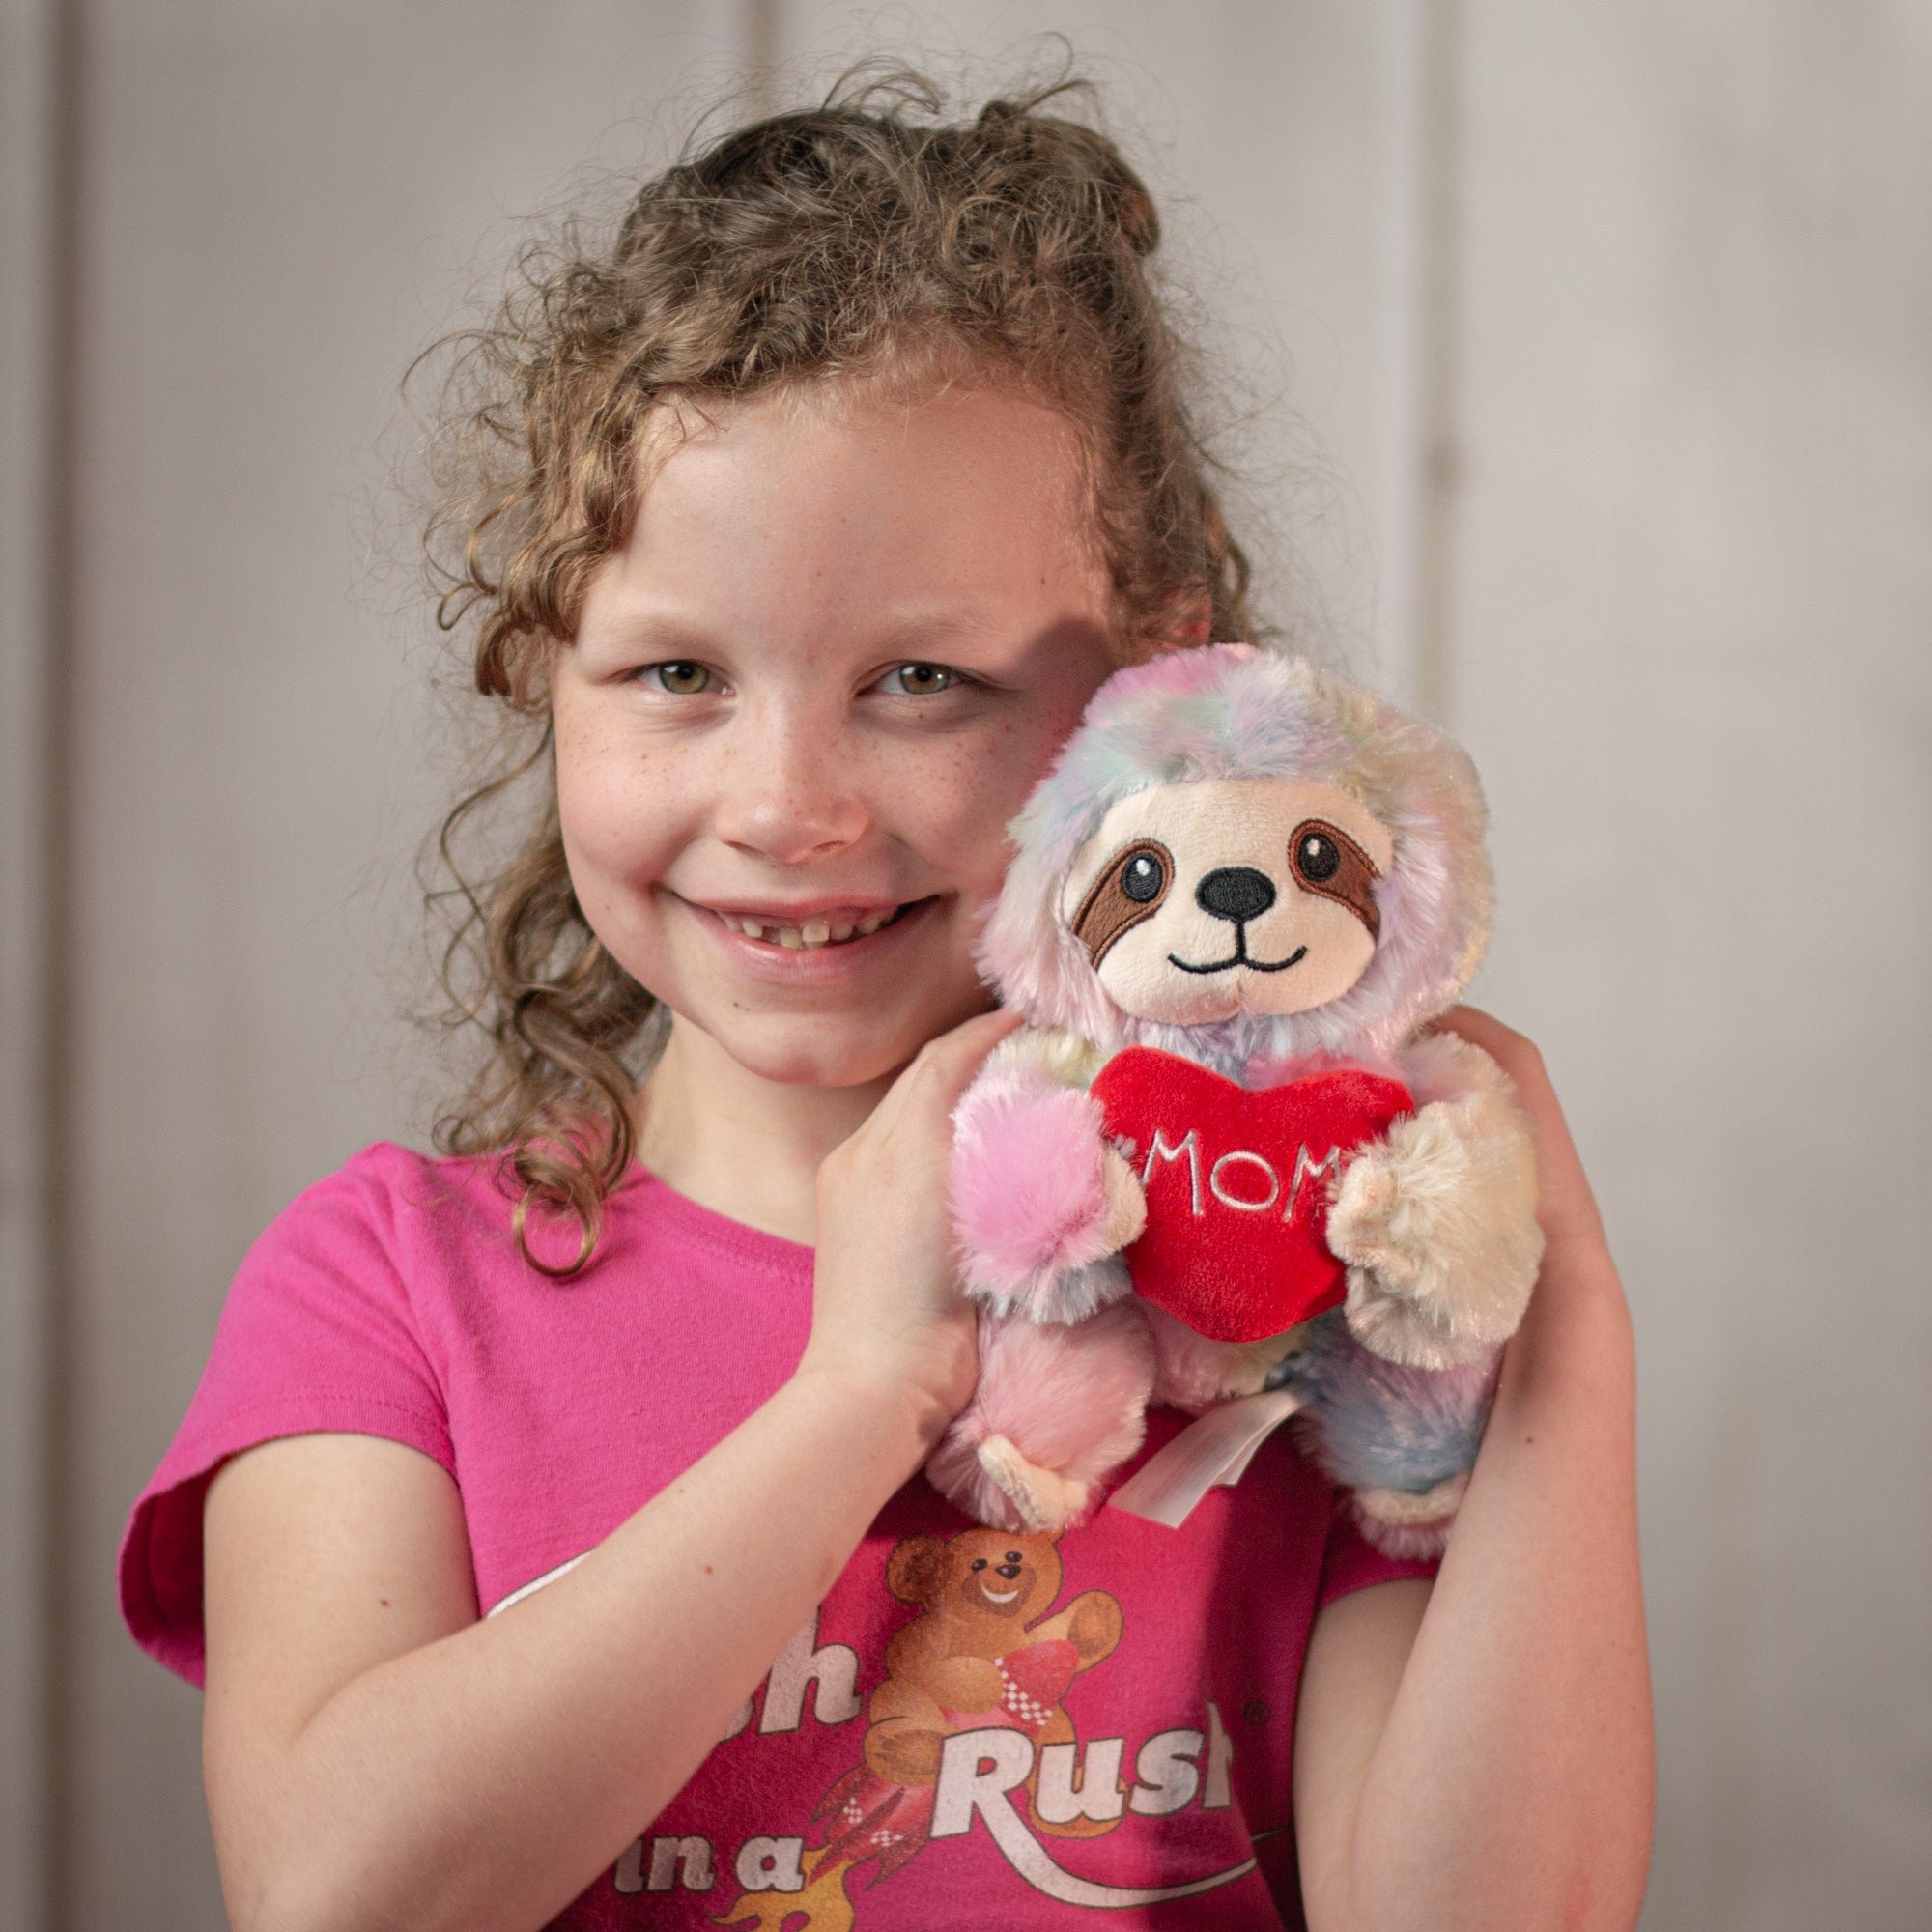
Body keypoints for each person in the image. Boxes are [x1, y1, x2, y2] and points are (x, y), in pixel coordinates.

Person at [118, 68, 1653, 1932]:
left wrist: (1557, 1325)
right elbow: (339, 1895)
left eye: (921, 678)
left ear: (1152, 695)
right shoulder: (384, 1291)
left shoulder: (1295, 1316)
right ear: (544, 674)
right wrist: (859, 1392)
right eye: (675, 670)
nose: (786, 809)